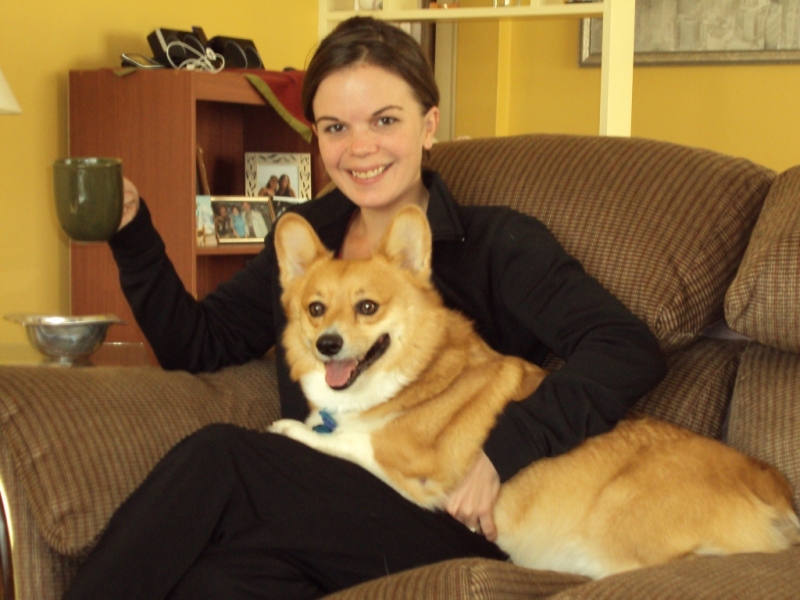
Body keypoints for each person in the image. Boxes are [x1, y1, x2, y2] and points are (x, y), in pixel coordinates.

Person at [64, 16, 666, 600]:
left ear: (429, 125)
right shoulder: (308, 244)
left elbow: (624, 346)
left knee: (221, 456)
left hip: (453, 516)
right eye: (334, 128)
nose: (359, 148)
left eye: (384, 120)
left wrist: (498, 452)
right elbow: (196, 344)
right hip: (327, 505)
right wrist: (132, 232)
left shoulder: (495, 244)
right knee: (215, 582)